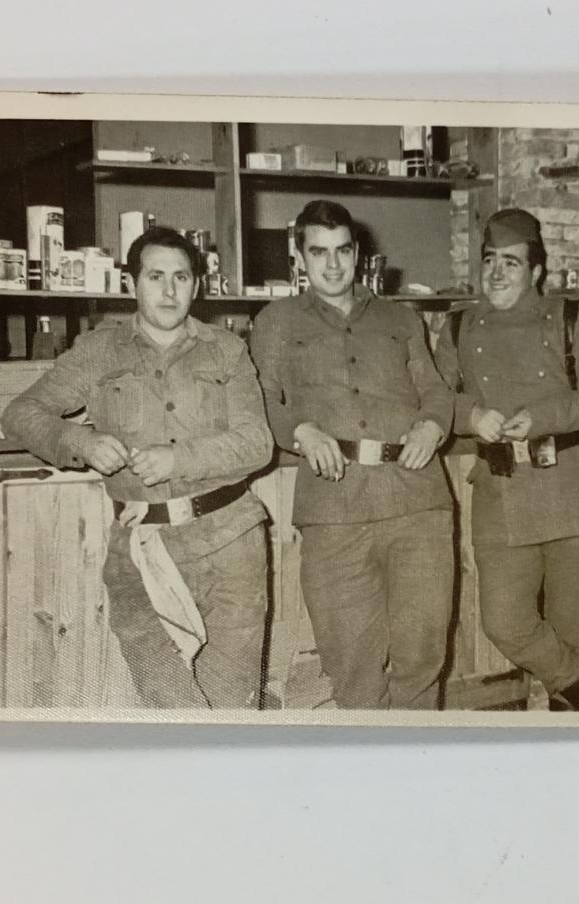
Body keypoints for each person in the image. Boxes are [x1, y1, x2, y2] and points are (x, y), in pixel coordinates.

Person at [2, 226, 273, 708]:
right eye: (155, 277)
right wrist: (78, 440)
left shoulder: (227, 349)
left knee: (233, 704)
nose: (169, 291)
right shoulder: (98, 352)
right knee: (171, 706)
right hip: (141, 553)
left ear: (197, 285)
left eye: (181, 277)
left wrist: (180, 458)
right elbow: (20, 413)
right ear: (132, 284)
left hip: (231, 545)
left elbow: (257, 443)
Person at [433, 208, 579, 712]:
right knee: (504, 621)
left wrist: (543, 416)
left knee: (574, 633)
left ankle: (571, 742)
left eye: (511, 262)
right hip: (502, 491)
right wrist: (470, 413)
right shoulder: (459, 325)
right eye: (490, 261)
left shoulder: (569, 316)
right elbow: (432, 399)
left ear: (536, 272)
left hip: (574, 488)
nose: (497, 273)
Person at [249, 200, 454, 710]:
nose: (333, 264)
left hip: (418, 503)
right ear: (299, 259)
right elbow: (261, 403)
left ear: (358, 254)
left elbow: (436, 389)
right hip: (334, 512)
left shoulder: (401, 318)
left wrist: (433, 424)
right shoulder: (275, 322)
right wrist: (300, 430)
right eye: (319, 252)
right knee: (351, 662)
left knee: (422, 654)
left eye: (343, 251)